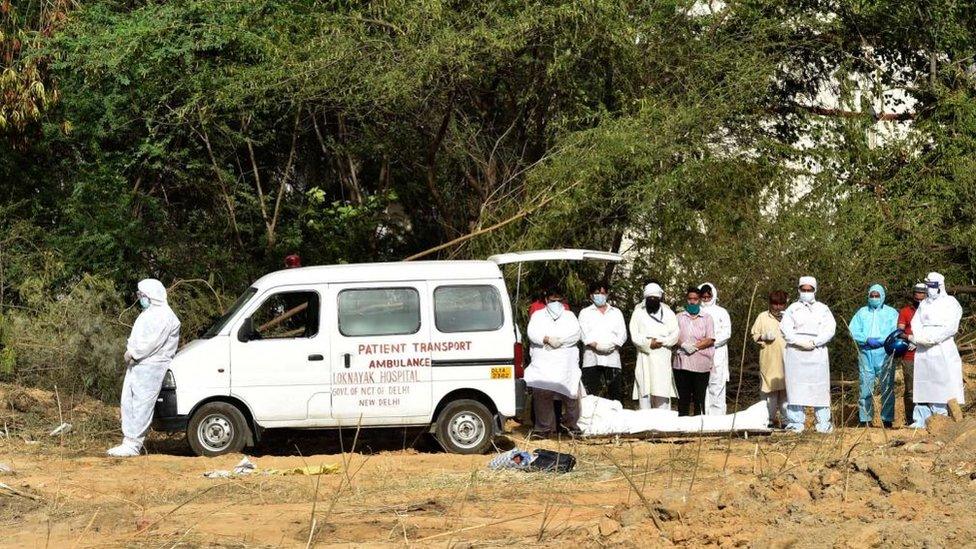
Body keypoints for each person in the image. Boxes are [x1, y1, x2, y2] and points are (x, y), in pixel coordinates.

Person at [108, 279, 181, 457]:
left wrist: (134, 353)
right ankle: (128, 441)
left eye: (143, 295)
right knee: (129, 401)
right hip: (138, 364)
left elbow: (152, 343)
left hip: (151, 366)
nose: (140, 298)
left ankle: (134, 444)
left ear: (152, 295)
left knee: (142, 404)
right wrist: (132, 352)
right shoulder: (149, 313)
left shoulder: (164, 315)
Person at [905, 272, 964, 428]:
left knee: (941, 384)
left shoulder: (951, 303)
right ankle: (921, 419)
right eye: (928, 286)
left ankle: (940, 418)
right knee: (922, 384)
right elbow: (916, 323)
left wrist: (933, 338)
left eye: (932, 286)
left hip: (941, 348)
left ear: (940, 286)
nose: (930, 289)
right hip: (924, 350)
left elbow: (951, 327)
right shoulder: (924, 304)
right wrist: (919, 338)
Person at [780, 276, 836, 433]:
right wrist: (798, 341)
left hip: (817, 352)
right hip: (796, 352)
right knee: (795, 387)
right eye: (803, 289)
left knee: (820, 387)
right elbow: (785, 329)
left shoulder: (823, 309)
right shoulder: (792, 309)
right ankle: (796, 422)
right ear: (798, 290)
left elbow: (829, 329)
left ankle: (823, 422)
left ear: (815, 290)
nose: (806, 292)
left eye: (809, 290)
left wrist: (815, 342)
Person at [525, 287, 583, 437]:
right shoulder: (537, 316)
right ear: (546, 300)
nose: (556, 303)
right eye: (552, 300)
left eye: (559, 300)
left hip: (566, 364)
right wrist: (546, 339)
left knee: (571, 395)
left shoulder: (570, 316)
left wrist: (560, 341)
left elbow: (575, 334)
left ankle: (571, 425)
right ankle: (544, 428)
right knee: (542, 395)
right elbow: (532, 334)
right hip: (544, 363)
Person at [848, 284, 899, 428]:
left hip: (885, 352)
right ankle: (865, 419)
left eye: (877, 295)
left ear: (882, 296)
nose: (874, 298)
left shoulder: (891, 313)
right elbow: (852, 330)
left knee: (887, 386)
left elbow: (896, 330)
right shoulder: (862, 312)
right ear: (868, 296)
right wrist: (865, 339)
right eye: (872, 295)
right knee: (865, 386)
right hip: (866, 352)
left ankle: (887, 419)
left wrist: (884, 341)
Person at [630, 283, 680, 410]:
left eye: (655, 298)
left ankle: (663, 425)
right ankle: (645, 425)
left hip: (662, 355)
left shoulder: (669, 313)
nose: (652, 300)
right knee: (645, 389)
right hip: (644, 355)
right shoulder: (638, 313)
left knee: (662, 389)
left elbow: (675, 334)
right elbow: (634, 336)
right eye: (650, 298)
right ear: (645, 298)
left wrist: (662, 341)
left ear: (660, 298)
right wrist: (648, 343)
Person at [578, 282, 628, 402]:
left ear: (607, 294)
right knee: (591, 396)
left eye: (602, 293)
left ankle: (615, 420)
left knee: (615, 396)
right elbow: (583, 333)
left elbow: (622, 334)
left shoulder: (616, 312)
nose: (600, 295)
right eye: (597, 293)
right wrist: (596, 345)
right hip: (591, 358)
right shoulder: (585, 313)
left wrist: (611, 346)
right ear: (591, 296)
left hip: (612, 359)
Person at [672, 287, 715, 416]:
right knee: (683, 398)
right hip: (682, 363)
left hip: (701, 364)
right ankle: (682, 426)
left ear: (699, 300)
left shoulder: (707, 318)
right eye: (690, 299)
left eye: (695, 299)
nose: (692, 302)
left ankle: (699, 427)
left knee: (699, 398)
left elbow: (710, 339)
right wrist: (683, 344)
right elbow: (673, 336)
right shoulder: (678, 317)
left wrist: (696, 346)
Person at [750, 290, 789, 427]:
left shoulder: (790, 317)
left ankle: (787, 421)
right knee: (769, 392)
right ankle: (769, 420)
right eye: (775, 304)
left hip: (787, 361)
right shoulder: (762, 317)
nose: (777, 307)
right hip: (769, 360)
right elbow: (754, 335)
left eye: (781, 304)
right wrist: (764, 337)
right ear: (770, 303)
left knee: (786, 391)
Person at [896, 283, 928, 424]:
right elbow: (899, 332)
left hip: (927, 354)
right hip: (909, 355)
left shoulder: (930, 311)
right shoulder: (905, 312)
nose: (919, 296)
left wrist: (920, 340)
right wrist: (909, 337)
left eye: (922, 293)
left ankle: (928, 418)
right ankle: (911, 419)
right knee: (910, 389)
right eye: (917, 293)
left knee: (927, 386)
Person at [699, 283, 732, 415]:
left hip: (718, 353)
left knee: (717, 386)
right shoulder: (696, 311)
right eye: (704, 297)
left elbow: (726, 333)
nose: (706, 299)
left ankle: (718, 419)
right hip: (700, 353)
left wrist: (711, 342)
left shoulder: (721, 312)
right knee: (702, 387)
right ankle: (703, 418)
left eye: (708, 297)